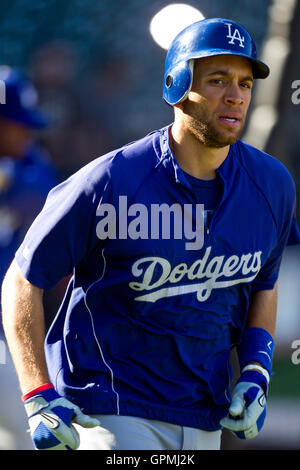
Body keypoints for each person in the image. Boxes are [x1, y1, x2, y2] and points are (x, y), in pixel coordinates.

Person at [1, 18, 300, 451]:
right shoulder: (109, 180)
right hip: (110, 410)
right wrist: (36, 393)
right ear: (177, 85)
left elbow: (264, 285)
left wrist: (256, 370)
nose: (236, 95)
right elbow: (22, 279)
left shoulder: (272, 184)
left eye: (245, 83)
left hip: (203, 414)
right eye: (218, 80)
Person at [0, 66, 58, 449]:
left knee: (36, 434)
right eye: (14, 123)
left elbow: (39, 198)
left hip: (8, 332)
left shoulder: (32, 167)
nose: (26, 132)